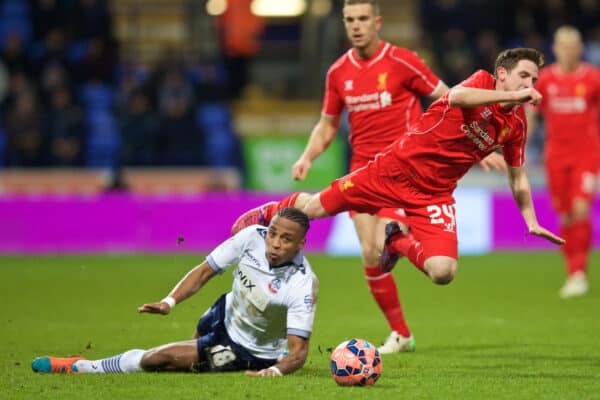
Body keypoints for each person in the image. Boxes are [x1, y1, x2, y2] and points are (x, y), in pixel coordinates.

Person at [234, 0, 505, 354]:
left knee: (383, 245)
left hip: (405, 169)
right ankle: (402, 333)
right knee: (370, 252)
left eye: (362, 19)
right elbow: (328, 123)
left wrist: (479, 147)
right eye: (349, 20)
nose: (356, 26)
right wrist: (307, 156)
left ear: (377, 22)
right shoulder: (337, 72)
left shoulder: (404, 61)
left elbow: (449, 100)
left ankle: (395, 244)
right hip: (364, 169)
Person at [231, 47, 564, 302]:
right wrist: (513, 95)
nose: (529, 85)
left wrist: (530, 220)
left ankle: (395, 241)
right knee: (314, 209)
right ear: (502, 74)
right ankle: (269, 211)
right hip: (392, 170)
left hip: (434, 195)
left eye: (534, 80)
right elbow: (458, 97)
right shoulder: (479, 82)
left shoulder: (515, 126)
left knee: (443, 272)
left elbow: (518, 178)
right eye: (524, 76)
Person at [32, 208, 318, 377]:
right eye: (273, 234)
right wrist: (169, 302)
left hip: (246, 350)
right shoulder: (251, 237)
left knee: (160, 360)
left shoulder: (302, 284)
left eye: (286, 239)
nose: (276, 243)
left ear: (301, 244)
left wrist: (276, 370)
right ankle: (197, 351)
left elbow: (300, 352)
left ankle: (82, 366)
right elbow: (205, 270)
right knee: (190, 353)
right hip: (225, 311)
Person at [526, 26, 600, 298]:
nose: (568, 50)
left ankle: (579, 273)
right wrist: (518, 148)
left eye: (573, 45)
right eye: (563, 45)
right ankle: (572, 271)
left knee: (581, 208)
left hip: (587, 155)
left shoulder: (593, 79)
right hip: (555, 156)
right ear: (555, 49)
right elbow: (531, 116)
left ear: (580, 49)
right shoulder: (545, 80)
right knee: (566, 214)